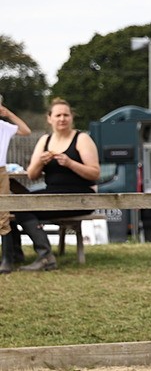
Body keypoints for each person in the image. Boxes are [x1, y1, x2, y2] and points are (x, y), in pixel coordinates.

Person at [7, 98, 101, 272]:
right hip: (52, 194)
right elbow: (32, 175)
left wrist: (70, 163)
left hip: (80, 196)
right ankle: (15, 254)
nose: (62, 119)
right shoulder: (45, 140)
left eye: (66, 115)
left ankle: (45, 256)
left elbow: (95, 173)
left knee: (20, 207)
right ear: (49, 118)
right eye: (58, 115)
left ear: (72, 117)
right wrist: (40, 162)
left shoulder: (82, 139)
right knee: (11, 204)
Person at [0, 99, 34, 274]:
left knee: (3, 213)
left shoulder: (3, 127)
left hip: (0, 172)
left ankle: (7, 258)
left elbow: (26, 131)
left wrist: (8, 114)